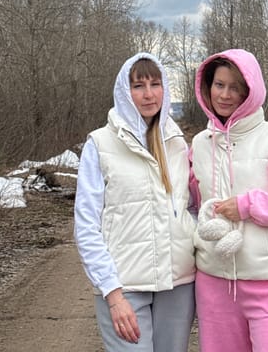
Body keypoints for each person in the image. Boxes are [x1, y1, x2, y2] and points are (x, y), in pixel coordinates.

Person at [190, 49, 268, 352]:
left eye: (235, 87)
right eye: (219, 85)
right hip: (215, 283)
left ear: (251, 92)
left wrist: (248, 206)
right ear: (207, 87)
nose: (225, 94)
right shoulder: (199, 144)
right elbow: (193, 204)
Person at [74, 52, 196, 351]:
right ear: (123, 92)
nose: (149, 94)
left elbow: (191, 206)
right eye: (138, 86)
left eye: (156, 84)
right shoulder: (100, 145)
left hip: (177, 284)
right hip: (124, 285)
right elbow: (86, 225)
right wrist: (113, 295)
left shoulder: (177, 142)